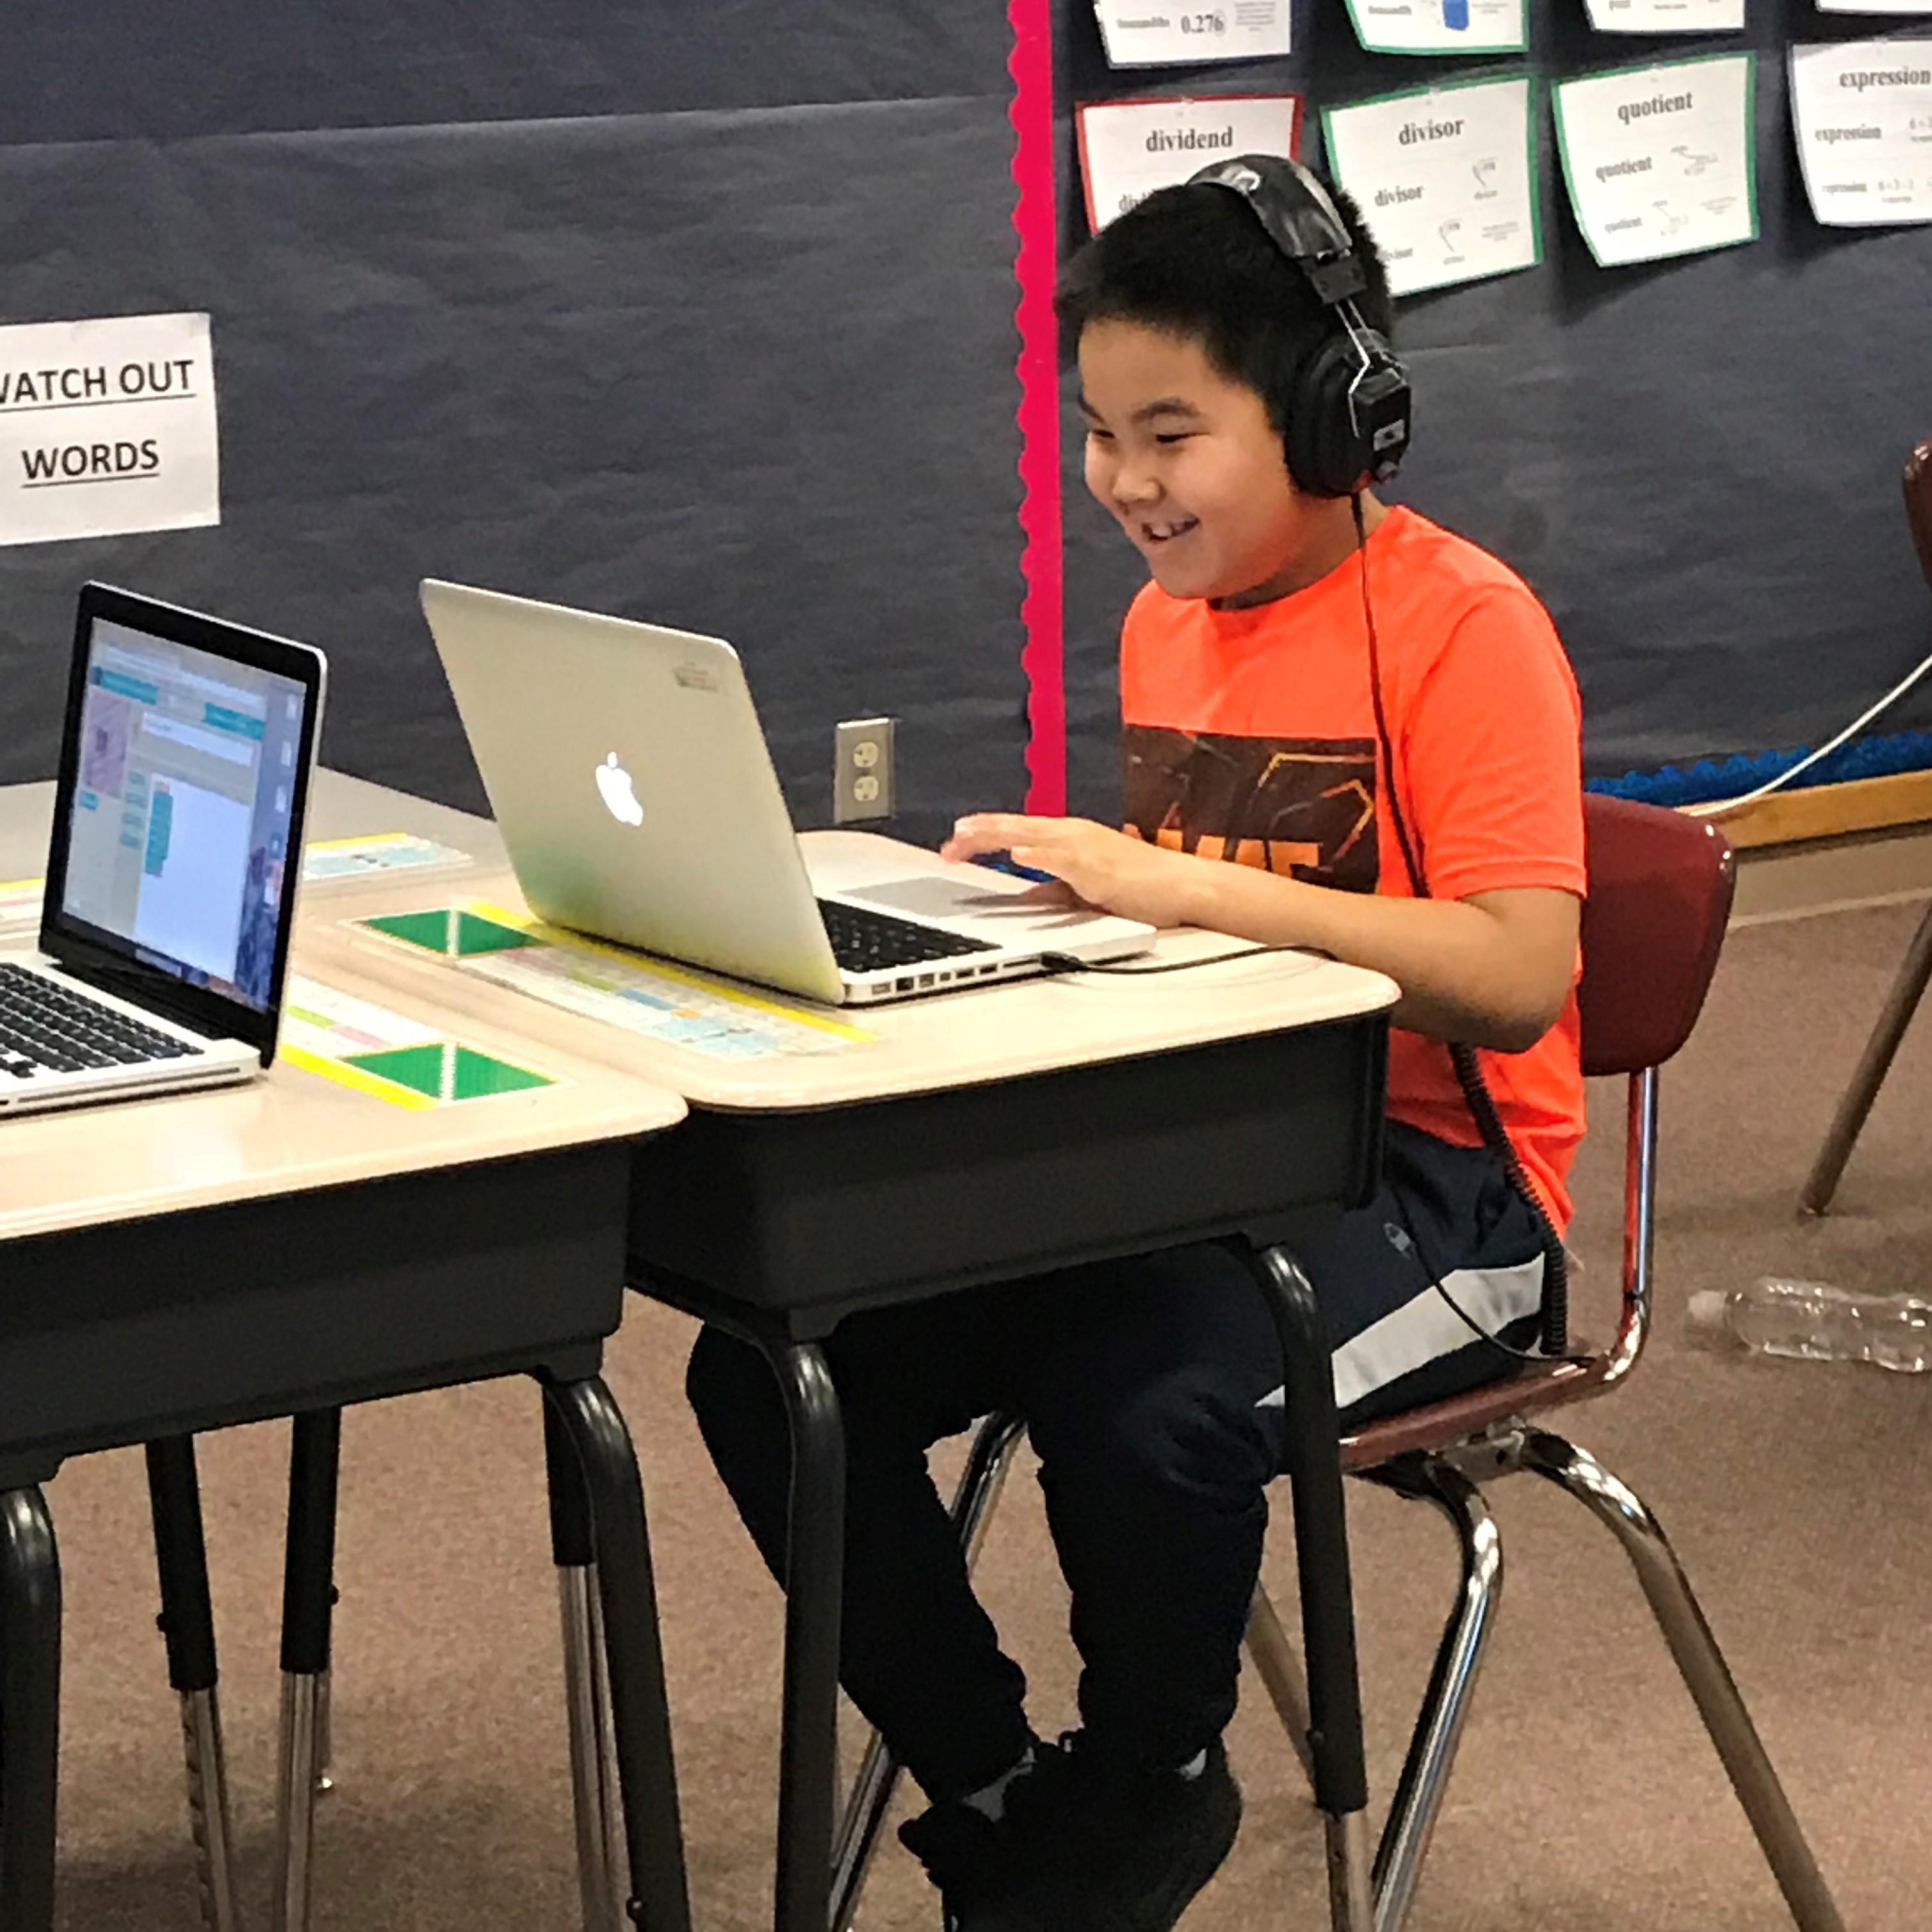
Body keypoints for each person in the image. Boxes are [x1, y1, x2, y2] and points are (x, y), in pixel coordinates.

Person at [686, 157, 1586, 1931]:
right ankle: (1015, 1791)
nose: (1122, 484)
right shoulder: (1167, 617)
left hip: (1451, 1199)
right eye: (1100, 435)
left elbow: (1513, 975)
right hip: (1210, 1157)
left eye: (1169, 434)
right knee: (780, 1366)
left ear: (1334, 414)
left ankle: (1152, 1776)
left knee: (1148, 1408)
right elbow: (1197, 933)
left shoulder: (1465, 630)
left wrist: (1179, 890)